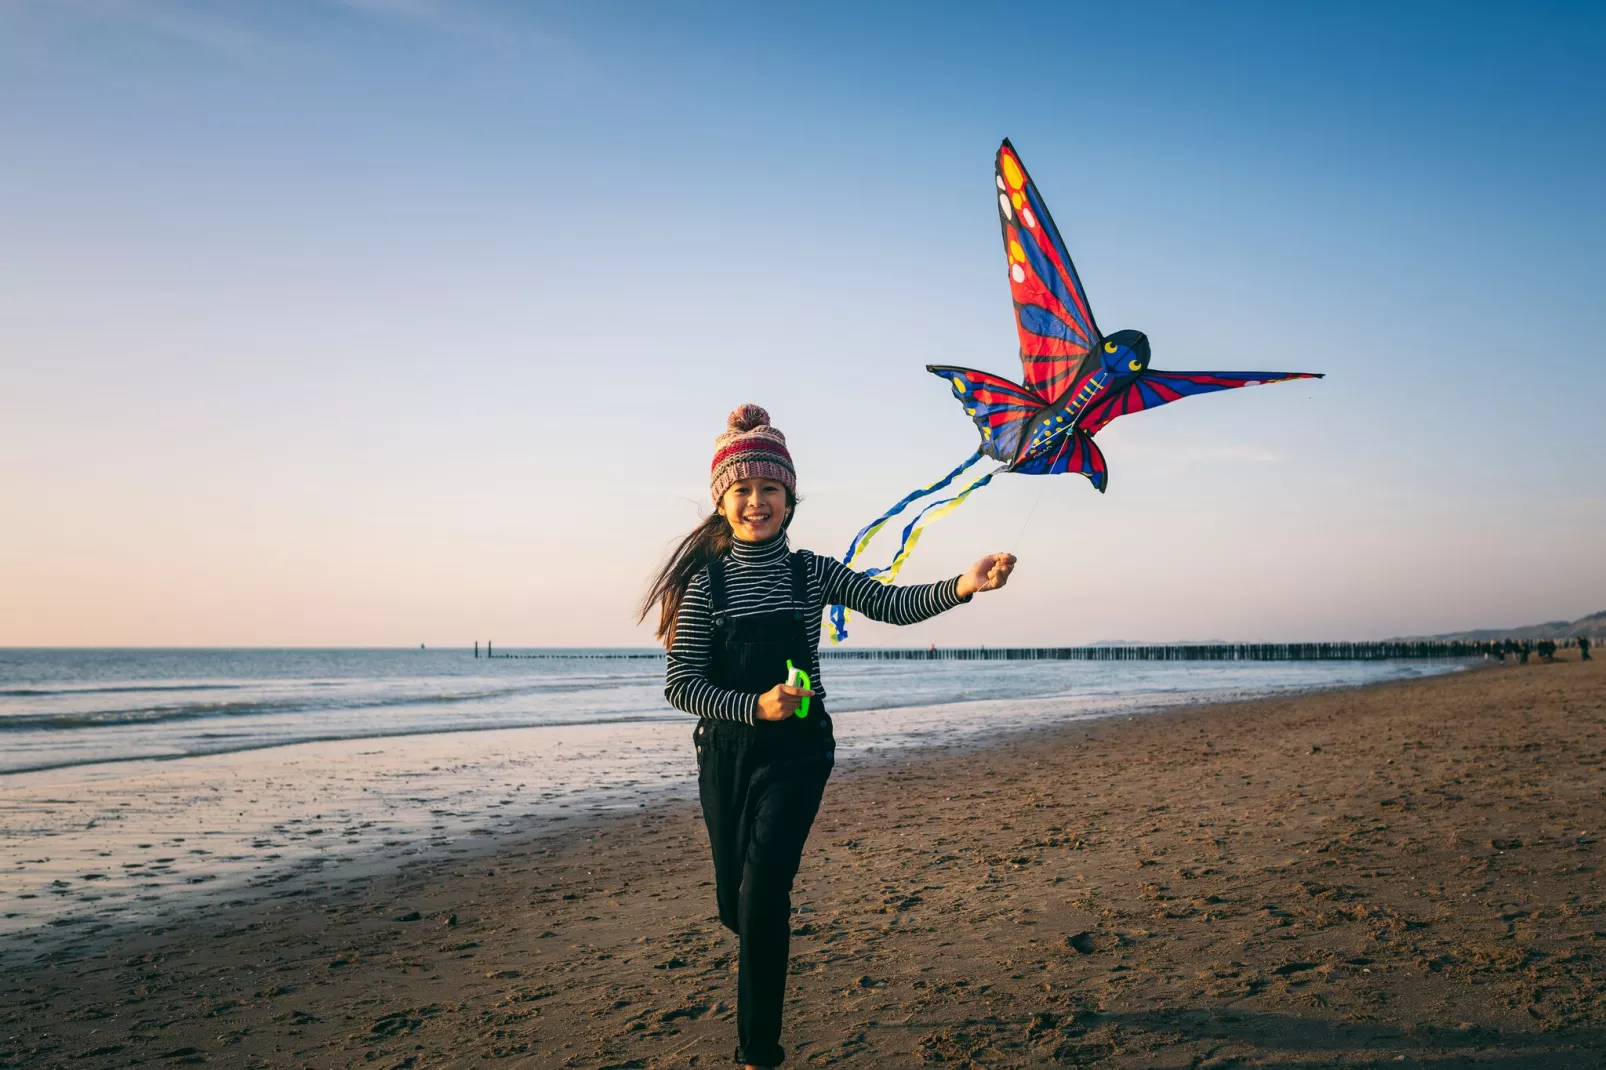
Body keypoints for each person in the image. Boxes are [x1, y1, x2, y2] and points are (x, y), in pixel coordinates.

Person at [641, 404, 1015, 1069]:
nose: (758, 502)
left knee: (762, 896)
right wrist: (754, 705)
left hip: (799, 754)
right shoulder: (706, 585)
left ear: (790, 497)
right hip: (726, 755)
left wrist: (965, 584)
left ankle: (759, 1052)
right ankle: (759, 931)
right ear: (723, 501)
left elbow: (892, 604)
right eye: (744, 490)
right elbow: (680, 686)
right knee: (738, 906)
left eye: (770, 490)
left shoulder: (811, 573)